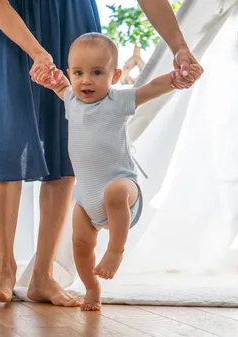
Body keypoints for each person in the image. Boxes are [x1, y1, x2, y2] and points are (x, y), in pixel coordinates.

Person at [0, 0, 203, 306]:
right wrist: (36, 52)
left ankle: (43, 276)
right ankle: (4, 267)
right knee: (8, 137)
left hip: (71, 16)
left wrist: (179, 47)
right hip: (8, 18)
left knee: (65, 141)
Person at [41, 32, 202, 311]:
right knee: (79, 243)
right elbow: (58, 86)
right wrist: (49, 78)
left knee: (115, 192)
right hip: (87, 197)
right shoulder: (71, 100)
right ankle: (92, 288)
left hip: (123, 188)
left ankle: (116, 250)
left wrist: (175, 79)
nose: (86, 80)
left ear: (114, 77)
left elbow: (150, 89)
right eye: (78, 73)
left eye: (97, 72)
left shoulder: (117, 101)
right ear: (70, 73)